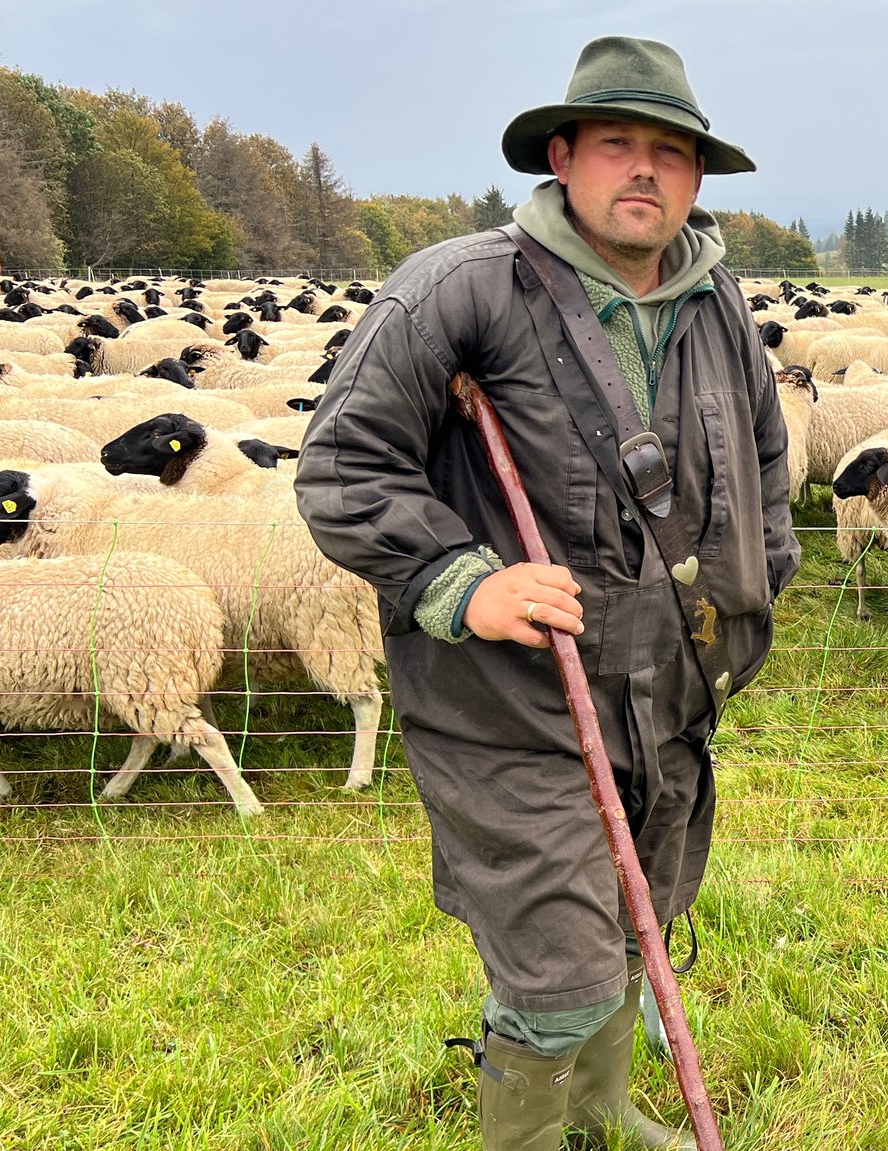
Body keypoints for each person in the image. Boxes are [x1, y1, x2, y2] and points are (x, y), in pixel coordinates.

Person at [294, 36, 798, 1151]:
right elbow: (342, 466)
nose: (644, 170)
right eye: (617, 143)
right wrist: (459, 579)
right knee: (557, 966)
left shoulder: (716, 306)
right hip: (513, 699)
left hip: (667, 690)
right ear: (562, 156)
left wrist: (759, 581)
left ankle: (601, 1107)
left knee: (636, 920)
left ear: (696, 178)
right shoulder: (460, 288)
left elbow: (764, 461)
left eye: (670, 152)